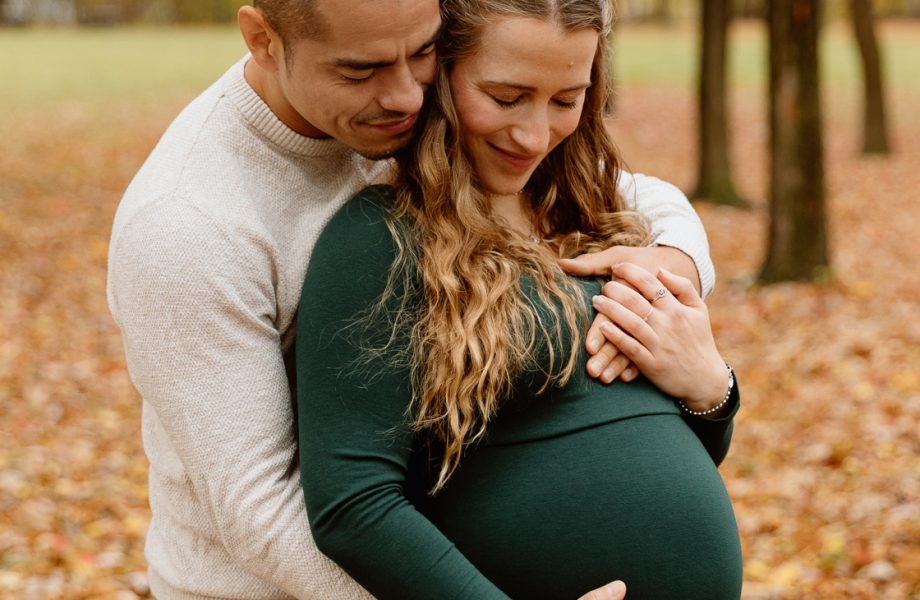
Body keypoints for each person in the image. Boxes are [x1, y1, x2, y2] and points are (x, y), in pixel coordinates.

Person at [106, 0, 718, 598]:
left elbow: (630, 193)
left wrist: (680, 265)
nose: (405, 95)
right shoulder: (186, 226)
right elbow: (261, 510)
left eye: (423, 51)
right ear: (265, 40)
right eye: (360, 69)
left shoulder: (418, 114)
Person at [296, 0, 742, 598]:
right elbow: (351, 506)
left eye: (566, 100)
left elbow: (678, 445)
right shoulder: (380, 240)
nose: (536, 135)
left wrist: (713, 392)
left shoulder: (604, 214)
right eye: (506, 98)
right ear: (443, 74)